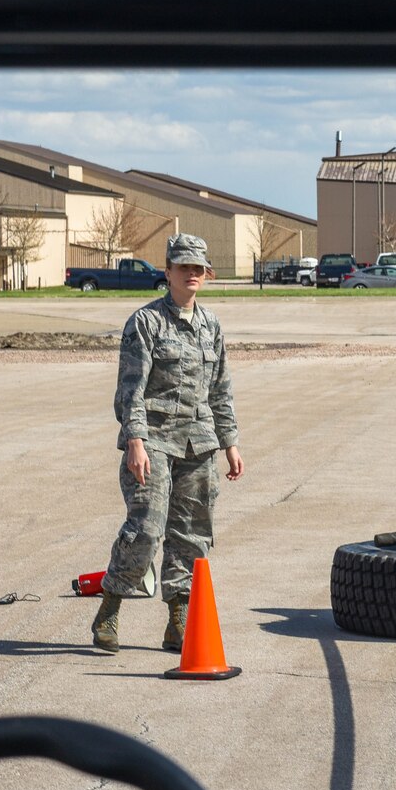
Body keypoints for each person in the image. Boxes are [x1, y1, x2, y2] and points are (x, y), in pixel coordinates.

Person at [90, 233, 243, 654]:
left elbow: (220, 390)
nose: (191, 274)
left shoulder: (211, 326)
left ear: (205, 274)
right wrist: (135, 441)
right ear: (168, 272)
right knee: (146, 530)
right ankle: (110, 606)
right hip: (154, 441)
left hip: (198, 444)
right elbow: (130, 392)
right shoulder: (146, 323)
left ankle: (179, 617)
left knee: (192, 535)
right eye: (183, 267)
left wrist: (230, 442)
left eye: (198, 268)